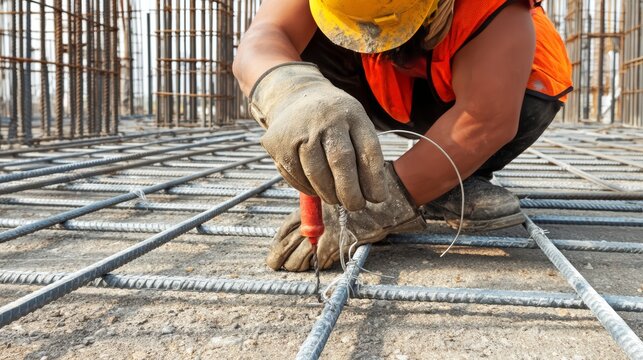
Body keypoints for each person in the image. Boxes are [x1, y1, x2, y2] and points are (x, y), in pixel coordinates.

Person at [233, 0, 572, 272]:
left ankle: (453, 173)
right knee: (297, 45)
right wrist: (291, 91)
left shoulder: (497, 11)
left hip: (496, 82)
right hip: (387, 84)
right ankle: (426, 173)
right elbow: (265, 35)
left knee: (530, 94)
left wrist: (376, 206)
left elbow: (487, 118)